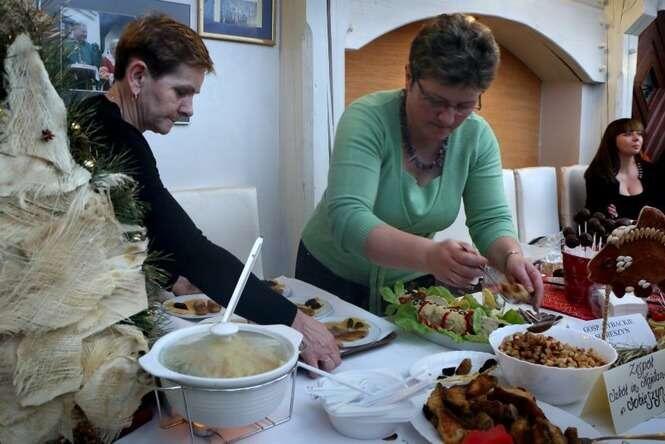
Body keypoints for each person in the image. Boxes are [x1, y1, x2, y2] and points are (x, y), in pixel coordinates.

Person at [83, 14, 340, 371]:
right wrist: (294, 321)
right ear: (138, 76)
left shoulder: (99, 118)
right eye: (181, 92)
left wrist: (174, 278)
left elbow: (141, 221)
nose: (189, 108)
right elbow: (191, 248)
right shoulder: (114, 135)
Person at [296, 13, 543, 314]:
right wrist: (429, 254)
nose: (448, 118)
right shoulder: (367, 119)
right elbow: (348, 217)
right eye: (436, 101)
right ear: (409, 77)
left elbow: (490, 219)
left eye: (465, 105)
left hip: (410, 284)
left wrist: (511, 257)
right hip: (331, 277)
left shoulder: (477, 137)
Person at [585, 118, 658, 220]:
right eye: (628, 134)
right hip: (614, 230)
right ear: (612, 140)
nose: (636, 138)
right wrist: (607, 213)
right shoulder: (597, 174)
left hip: (651, 229)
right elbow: (595, 214)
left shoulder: (652, 171)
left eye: (639, 134)